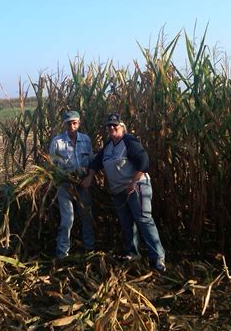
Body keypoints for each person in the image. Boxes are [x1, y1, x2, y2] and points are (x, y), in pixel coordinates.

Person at [81, 113, 166, 271]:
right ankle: (132, 253)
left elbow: (143, 161)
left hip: (136, 187)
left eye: (115, 125)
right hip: (118, 191)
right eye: (109, 126)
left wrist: (133, 182)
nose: (112, 128)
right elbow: (96, 162)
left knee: (144, 220)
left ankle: (158, 257)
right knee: (127, 223)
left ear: (122, 127)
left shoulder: (129, 142)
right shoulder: (108, 146)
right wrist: (90, 177)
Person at [49, 110, 95, 259]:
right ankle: (62, 253)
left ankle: (90, 248)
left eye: (75, 123)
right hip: (65, 186)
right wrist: (63, 178)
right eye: (69, 123)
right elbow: (51, 166)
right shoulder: (57, 141)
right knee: (67, 219)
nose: (72, 126)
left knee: (86, 216)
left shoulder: (86, 140)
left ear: (79, 123)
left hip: (83, 184)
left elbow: (92, 161)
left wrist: (87, 176)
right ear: (65, 124)